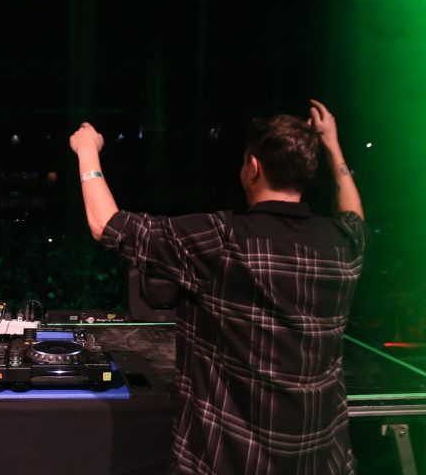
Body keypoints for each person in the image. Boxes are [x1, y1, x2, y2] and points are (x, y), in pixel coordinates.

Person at [69, 100, 366, 474]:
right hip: (319, 461)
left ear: (252, 167)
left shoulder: (223, 240)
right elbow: (354, 216)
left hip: (231, 459)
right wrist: (333, 145)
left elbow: (108, 226)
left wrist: (87, 151)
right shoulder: (342, 244)